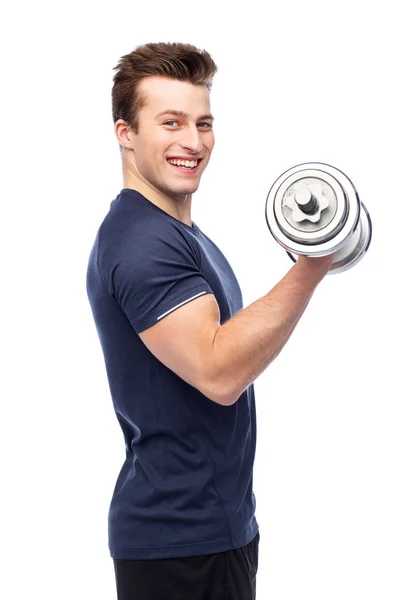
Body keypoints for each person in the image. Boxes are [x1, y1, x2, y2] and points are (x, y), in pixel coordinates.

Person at [86, 41, 333, 600]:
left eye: (203, 123)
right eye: (170, 122)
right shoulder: (143, 242)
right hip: (178, 541)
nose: (192, 142)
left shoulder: (177, 233)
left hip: (214, 529)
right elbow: (219, 372)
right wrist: (312, 267)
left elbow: (225, 348)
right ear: (126, 132)